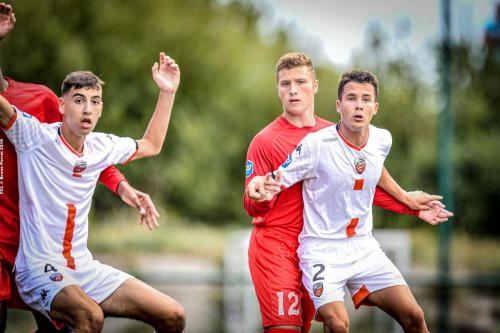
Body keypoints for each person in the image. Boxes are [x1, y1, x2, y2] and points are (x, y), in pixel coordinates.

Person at [243, 53, 449, 333]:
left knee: (404, 316)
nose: (293, 90)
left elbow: (365, 179)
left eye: (300, 81)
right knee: (293, 328)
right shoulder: (270, 141)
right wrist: (257, 193)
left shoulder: (342, 132)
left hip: (343, 243)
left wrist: (409, 202)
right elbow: (259, 194)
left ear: (314, 86)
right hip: (283, 247)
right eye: (285, 83)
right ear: (277, 88)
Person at [0, 3, 161, 333]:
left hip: (29, 241)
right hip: (17, 250)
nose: (87, 108)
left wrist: (123, 187)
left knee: (77, 320)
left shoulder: (38, 100)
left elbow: (78, 155)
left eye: (95, 101)